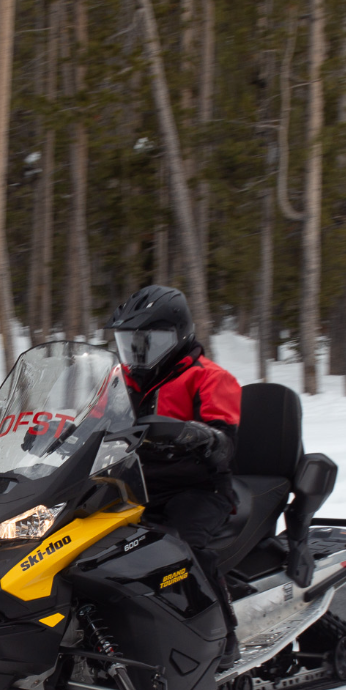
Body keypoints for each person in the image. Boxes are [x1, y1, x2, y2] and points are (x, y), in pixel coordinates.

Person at [105, 284, 242, 669]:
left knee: (182, 545)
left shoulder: (210, 377)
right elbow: (89, 422)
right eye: (129, 342)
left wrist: (200, 435)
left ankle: (224, 638)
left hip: (197, 487)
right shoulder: (119, 380)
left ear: (178, 335)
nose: (137, 352)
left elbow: (226, 445)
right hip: (132, 485)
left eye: (149, 341)